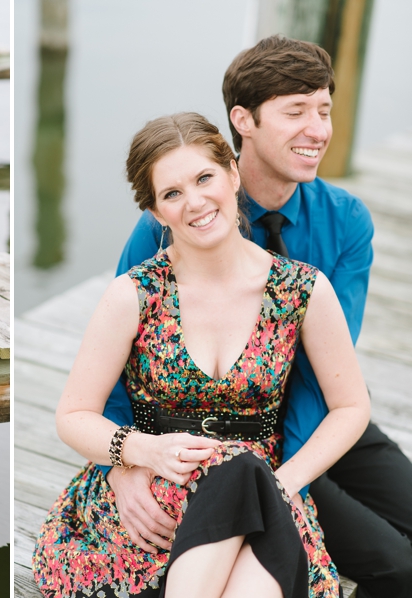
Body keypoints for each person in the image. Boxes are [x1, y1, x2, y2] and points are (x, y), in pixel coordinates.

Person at [101, 36, 412, 597]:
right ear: (242, 121)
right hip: (217, 436)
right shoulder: (171, 225)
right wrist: (123, 466)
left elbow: (324, 380)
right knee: (396, 567)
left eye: (324, 110)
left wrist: (285, 478)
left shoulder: (345, 222)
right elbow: (119, 364)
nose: (318, 129)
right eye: (296, 112)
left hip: (312, 418)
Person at [32, 112, 370, 598]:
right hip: (154, 498)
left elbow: (351, 406)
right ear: (154, 211)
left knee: (243, 474)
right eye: (172, 193)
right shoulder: (133, 294)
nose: (194, 202)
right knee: (239, 479)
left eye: (204, 178)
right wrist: (141, 452)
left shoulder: (303, 289)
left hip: (267, 495)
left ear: (233, 175)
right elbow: (73, 415)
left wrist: (285, 484)